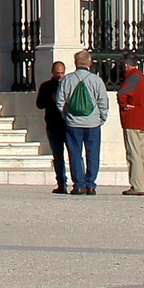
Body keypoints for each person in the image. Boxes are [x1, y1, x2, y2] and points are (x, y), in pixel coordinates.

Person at [56, 50, 110, 195]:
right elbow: (103, 102)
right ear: (89, 63)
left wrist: (66, 115)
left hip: (73, 123)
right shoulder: (96, 80)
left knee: (75, 154)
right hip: (92, 123)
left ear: (76, 63)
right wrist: (101, 118)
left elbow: (60, 101)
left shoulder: (68, 80)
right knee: (93, 154)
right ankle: (91, 184)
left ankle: (78, 185)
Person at [117, 62, 144, 196]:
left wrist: (125, 105)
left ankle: (137, 185)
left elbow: (122, 94)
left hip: (132, 120)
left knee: (134, 154)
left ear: (126, 64)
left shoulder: (132, 78)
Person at [36, 62, 71, 192]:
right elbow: (39, 104)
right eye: (57, 73)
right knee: (58, 156)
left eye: (62, 73)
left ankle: (78, 182)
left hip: (68, 125)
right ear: (52, 72)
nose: (60, 75)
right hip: (53, 125)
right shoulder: (46, 86)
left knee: (74, 155)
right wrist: (51, 99)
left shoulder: (68, 84)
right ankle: (61, 183)